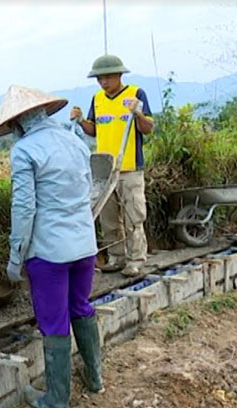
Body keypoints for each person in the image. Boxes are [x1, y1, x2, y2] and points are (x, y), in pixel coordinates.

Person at [0, 85, 103, 408]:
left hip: (49, 252)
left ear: (20, 122)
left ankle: (55, 402)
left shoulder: (24, 151)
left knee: (53, 322)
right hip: (84, 245)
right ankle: (94, 378)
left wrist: (15, 257)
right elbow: (88, 188)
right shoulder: (74, 141)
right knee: (81, 306)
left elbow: (24, 209)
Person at [70, 54, 154, 277]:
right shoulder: (97, 99)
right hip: (104, 171)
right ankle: (116, 257)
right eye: (99, 78)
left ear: (119, 75)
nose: (103, 82)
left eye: (107, 77)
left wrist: (137, 113)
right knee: (108, 219)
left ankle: (136, 259)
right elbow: (93, 130)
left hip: (129, 167)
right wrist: (80, 121)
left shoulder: (135, 94)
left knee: (133, 217)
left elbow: (147, 128)